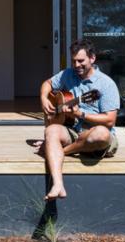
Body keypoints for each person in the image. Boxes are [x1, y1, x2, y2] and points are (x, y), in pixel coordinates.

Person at [37, 39, 120, 201]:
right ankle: (58, 185)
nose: (76, 65)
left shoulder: (106, 84)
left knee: (100, 135)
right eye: (74, 61)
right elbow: (47, 83)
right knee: (51, 130)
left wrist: (80, 114)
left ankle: (58, 150)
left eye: (81, 61)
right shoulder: (68, 74)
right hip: (74, 131)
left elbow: (110, 120)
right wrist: (44, 97)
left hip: (96, 134)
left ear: (92, 59)